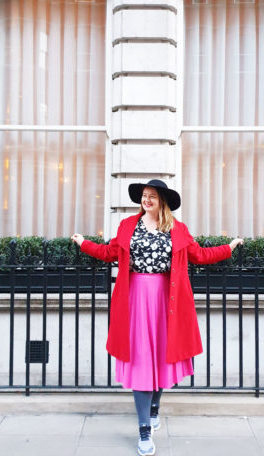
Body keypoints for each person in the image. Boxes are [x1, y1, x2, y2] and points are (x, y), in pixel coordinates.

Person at [71, 179, 243, 456]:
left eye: (152, 196)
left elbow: (199, 255)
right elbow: (109, 252)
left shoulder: (178, 229)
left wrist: (229, 248)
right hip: (135, 297)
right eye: (144, 196)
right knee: (141, 359)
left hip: (167, 299)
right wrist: (83, 244)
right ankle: (144, 430)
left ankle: (153, 408)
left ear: (162, 201)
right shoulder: (128, 226)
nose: (146, 200)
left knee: (163, 355)